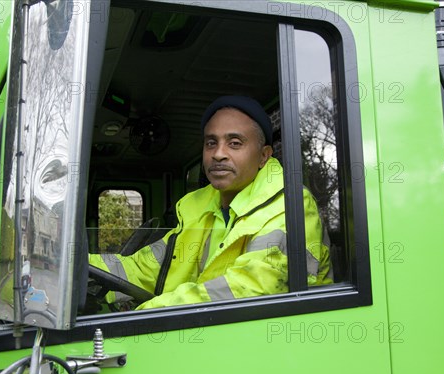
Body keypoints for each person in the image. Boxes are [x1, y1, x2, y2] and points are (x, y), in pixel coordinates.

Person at [89, 95, 332, 309]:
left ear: (263, 156)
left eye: (235, 143)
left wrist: (150, 312)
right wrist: (75, 267)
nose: (218, 153)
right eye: (211, 143)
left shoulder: (291, 205)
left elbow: (251, 288)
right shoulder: (198, 209)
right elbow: (142, 269)